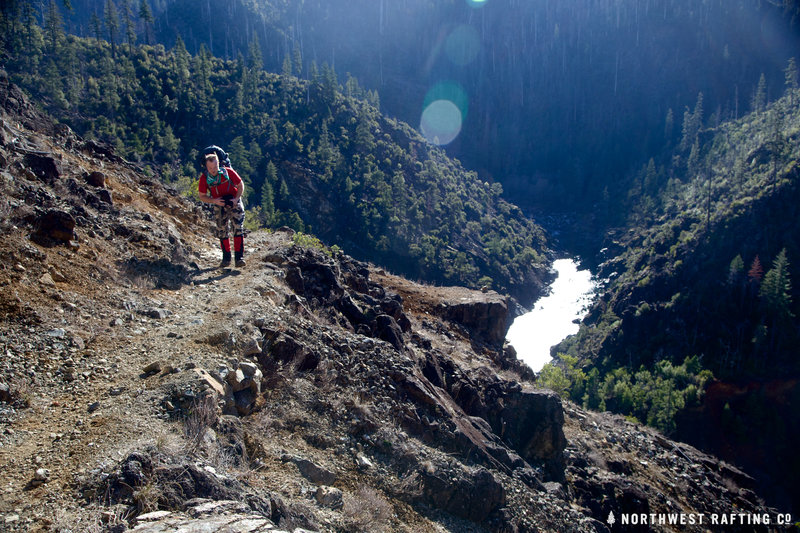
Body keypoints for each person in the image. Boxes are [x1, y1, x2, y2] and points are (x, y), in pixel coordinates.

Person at [198, 152, 246, 268]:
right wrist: (214, 201)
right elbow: (202, 195)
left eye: (215, 167)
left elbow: (240, 185)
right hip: (219, 204)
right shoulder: (204, 178)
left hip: (234, 201)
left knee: (238, 228)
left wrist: (236, 199)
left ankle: (239, 258)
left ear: (219, 164)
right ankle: (226, 258)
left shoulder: (228, 172)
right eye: (210, 168)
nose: (213, 170)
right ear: (206, 166)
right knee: (222, 230)